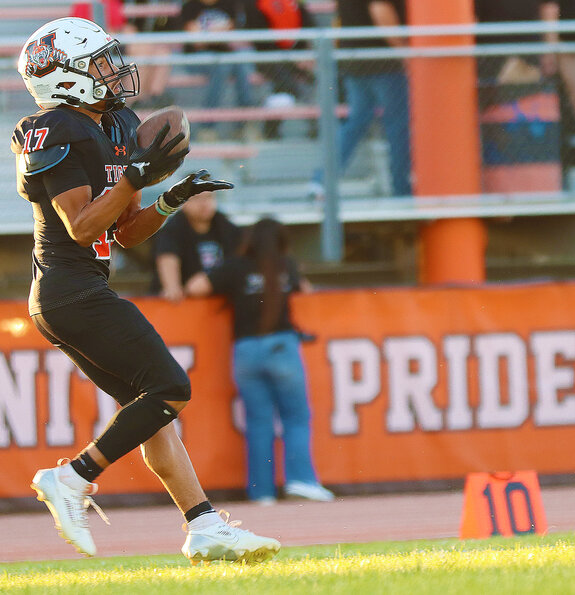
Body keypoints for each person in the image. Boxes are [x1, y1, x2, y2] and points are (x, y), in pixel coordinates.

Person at [12, 16, 281, 564]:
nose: (113, 72)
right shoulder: (56, 128)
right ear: (65, 77)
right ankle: (73, 477)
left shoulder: (112, 123)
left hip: (80, 289)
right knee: (168, 388)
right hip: (69, 291)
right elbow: (82, 228)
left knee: (150, 407)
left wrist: (171, 197)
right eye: (99, 63)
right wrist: (135, 175)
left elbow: (125, 231)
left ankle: (203, 525)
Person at [185, 218, 334, 505]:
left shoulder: (235, 267)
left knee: (258, 422)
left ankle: (261, 492)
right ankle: (301, 480)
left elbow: (196, 287)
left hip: (245, 351)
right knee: (295, 418)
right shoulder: (285, 266)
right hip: (281, 346)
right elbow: (307, 289)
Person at [309, 0, 413, 199]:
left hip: (356, 59)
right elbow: (380, 9)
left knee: (356, 122)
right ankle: (401, 188)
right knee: (397, 125)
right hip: (383, 62)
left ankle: (321, 181)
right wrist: (404, 51)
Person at [179, 0, 257, 140]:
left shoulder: (229, 4)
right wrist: (219, 33)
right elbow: (197, 42)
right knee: (223, 66)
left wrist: (207, 34)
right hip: (196, 58)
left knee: (239, 64)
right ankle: (208, 128)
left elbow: (231, 35)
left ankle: (244, 125)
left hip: (224, 55)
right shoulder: (190, 6)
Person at [239, 0, 317, 139]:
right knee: (287, 84)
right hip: (266, 58)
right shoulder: (253, 4)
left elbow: (309, 25)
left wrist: (303, 53)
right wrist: (290, 58)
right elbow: (259, 39)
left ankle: (316, 126)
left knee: (317, 78)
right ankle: (271, 129)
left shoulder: (294, 3)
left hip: (293, 58)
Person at [150, 188, 241, 300]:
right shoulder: (172, 229)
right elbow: (167, 256)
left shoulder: (225, 226)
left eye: (209, 197)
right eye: (197, 198)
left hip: (219, 298)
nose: (204, 204)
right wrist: (172, 287)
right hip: (187, 299)